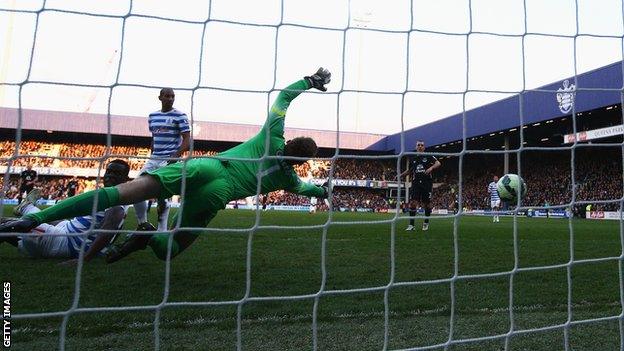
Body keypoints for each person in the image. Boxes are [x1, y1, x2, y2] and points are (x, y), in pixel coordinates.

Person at [0, 68, 332, 263]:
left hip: (207, 167)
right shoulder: (288, 179)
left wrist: (310, 81)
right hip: (219, 192)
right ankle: (146, 236)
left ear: (289, 143)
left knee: (121, 193)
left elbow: (284, 98)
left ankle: (34, 219)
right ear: (301, 162)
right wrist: (322, 190)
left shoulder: (272, 136)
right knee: (170, 250)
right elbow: (307, 188)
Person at [0, 160, 131, 263]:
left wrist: (85, 259)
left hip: (66, 242)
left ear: (125, 178)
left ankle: (26, 207)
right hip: (67, 232)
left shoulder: (115, 204)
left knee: (7, 223)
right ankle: (27, 208)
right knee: (50, 220)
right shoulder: (115, 197)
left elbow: (107, 232)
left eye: (116, 173)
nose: (110, 176)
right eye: (108, 171)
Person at [133, 88, 190, 231]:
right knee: (135, 188)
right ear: (160, 98)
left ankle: (162, 230)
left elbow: (187, 140)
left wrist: (175, 155)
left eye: (172, 96)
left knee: (162, 194)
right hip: (154, 159)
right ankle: (142, 224)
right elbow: (154, 137)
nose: (170, 98)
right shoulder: (153, 116)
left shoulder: (180, 116)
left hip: (169, 159)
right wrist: (152, 153)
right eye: (167, 96)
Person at [400, 140, 441, 231]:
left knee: (427, 204)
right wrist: (402, 175)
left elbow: (438, 163)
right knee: (413, 203)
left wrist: (431, 168)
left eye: (422, 145)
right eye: (418, 145)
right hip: (415, 183)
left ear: (424, 147)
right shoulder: (413, 158)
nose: (420, 146)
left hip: (427, 183)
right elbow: (410, 170)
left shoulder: (429, 156)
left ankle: (426, 223)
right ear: (416, 147)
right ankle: (411, 225)